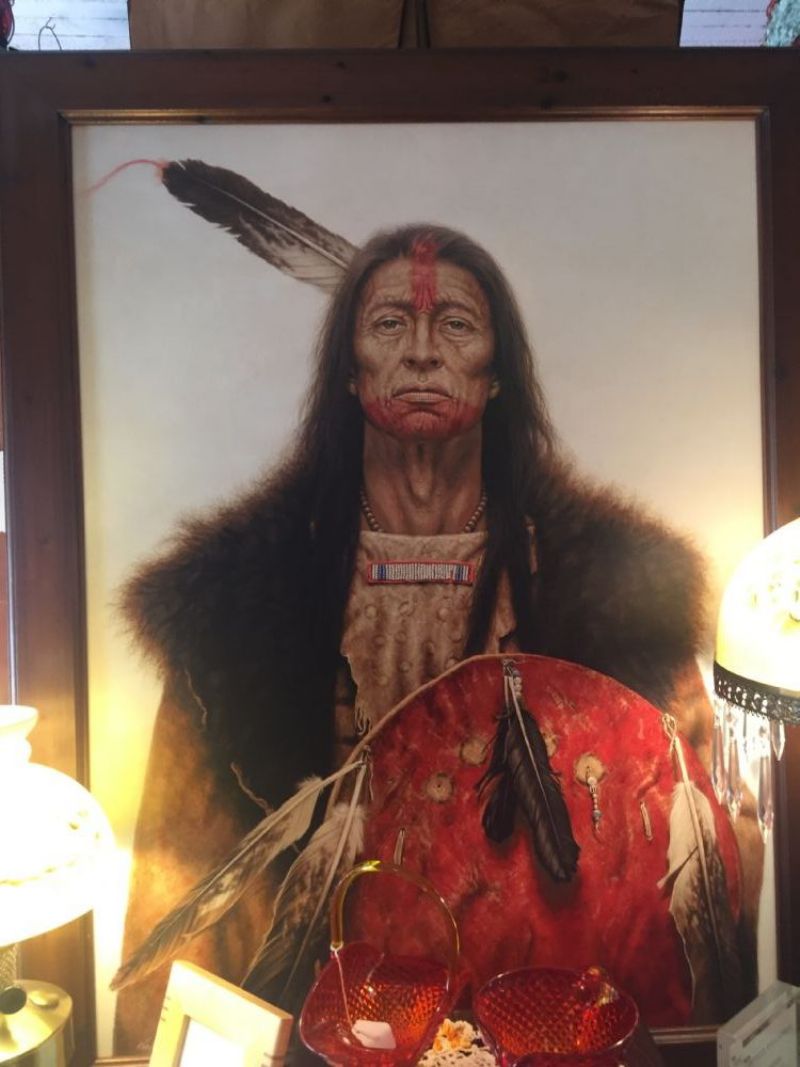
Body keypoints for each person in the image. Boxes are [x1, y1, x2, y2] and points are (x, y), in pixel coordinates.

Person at [113, 224, 760, 1054]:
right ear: (349, 371)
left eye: (455, 324)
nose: (422, 352)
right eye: (389, 324)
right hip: (336, 1033)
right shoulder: (241, 606)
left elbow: (693, 869)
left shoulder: (617, 598)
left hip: (553, 1029)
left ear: (498, 374)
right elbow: (185, 871)